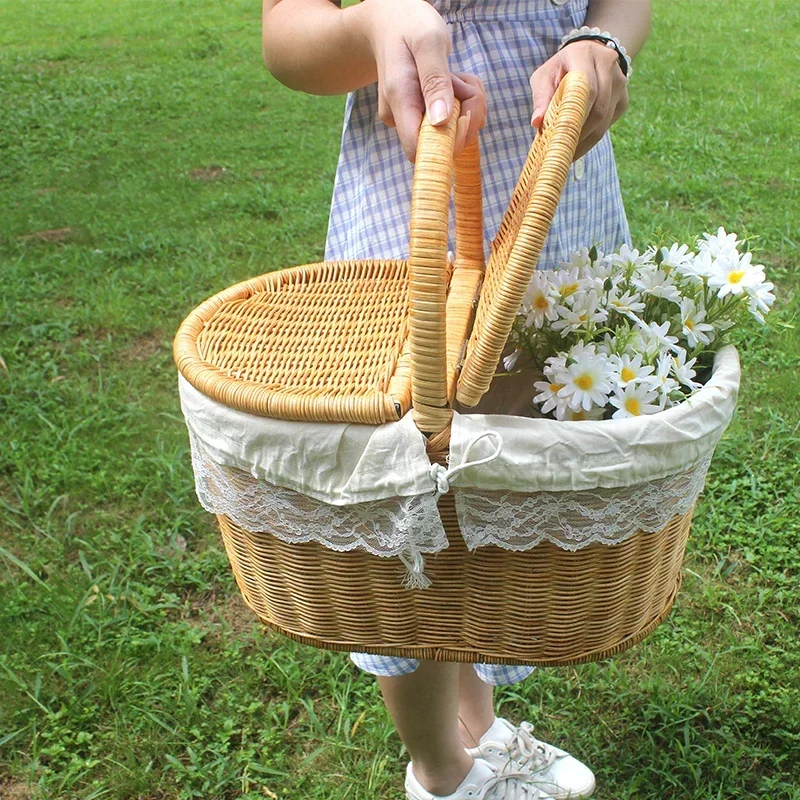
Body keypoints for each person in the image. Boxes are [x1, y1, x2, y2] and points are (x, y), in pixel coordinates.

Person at [261, 1, 651, 798]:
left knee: (502, 478)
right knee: (414, 501)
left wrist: (603, 40)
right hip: (419, 202)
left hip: (558, 191)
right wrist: (369, 26)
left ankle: (477, 727)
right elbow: (285, 31)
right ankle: (442, 771)